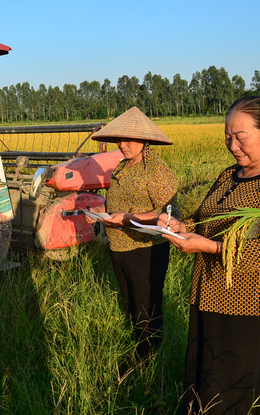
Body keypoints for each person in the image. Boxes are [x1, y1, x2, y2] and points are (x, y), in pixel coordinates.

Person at [158, 96, 260, 414]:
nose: (233, 145)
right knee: (202, 387)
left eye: (241, 137)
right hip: (206, 295)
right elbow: (203, 221)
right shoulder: (229, 176)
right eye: (228, 136)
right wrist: (178, 226)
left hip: (248, 305)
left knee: (234, 394)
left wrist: (210, 247)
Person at [85, 107, 177, 354]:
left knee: (147, 307)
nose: (122, 144)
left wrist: (126, 219)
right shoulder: (122, 166)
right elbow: (114, 200)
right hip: (119, 248)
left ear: (144, 139)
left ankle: (149, 359)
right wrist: (100, 212)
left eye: (128, 139)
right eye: (119, 139)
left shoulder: (157, 170)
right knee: (129, 302)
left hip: (145, 251)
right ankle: (135, 347)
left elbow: (168, 214)